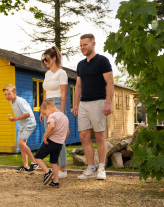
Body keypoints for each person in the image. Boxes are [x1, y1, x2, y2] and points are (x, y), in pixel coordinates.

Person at [73, 34, 114, 180]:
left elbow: (110, 82)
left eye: (85, 45)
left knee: (99, 136)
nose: (82, 48)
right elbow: (78, 86)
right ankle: (90, 168)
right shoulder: (80, 64)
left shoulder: (102, 61)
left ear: (93, 44)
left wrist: (108, 103)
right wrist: (75, 104)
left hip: (99, 102)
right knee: (84, 136)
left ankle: (101, 167)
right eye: (81, 45)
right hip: (83, 104)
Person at [40, 46, 68, 179]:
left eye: (47, 59)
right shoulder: (47, 74)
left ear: (54, 58)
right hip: (48, 105)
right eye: (43, 59)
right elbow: (46, 93)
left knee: (58, 138)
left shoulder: (62, 73)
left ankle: (62, 168)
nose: (45, 62)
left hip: (57, 104)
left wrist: (61, 113)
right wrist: (42, 110)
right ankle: (55, 169)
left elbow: (64, 94)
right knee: (50, 138)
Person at [3, 84, 39, 173]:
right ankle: (26, 166)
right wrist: (14, 118)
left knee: (21, 143)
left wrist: (15, 119)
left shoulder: (20, 101)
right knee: (22, 145)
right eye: (5, 94)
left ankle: (34, 163)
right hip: (22, 125)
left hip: (29, 124)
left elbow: (27, 114)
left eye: (9, 94)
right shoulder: (12, 101)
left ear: (15, 93)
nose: (7, 96)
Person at [35, 100, 69, 188]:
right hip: (59, 144)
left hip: (50, 142)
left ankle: (47, 172)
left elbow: (52, 125)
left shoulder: (52, 115)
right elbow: (67, 131)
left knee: (38, 157)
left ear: (48, 108)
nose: (46, 116)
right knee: (54, 162)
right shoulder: (64, 117)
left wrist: (45, 136)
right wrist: (63, 140)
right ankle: (56, 181)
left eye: (45, 113)